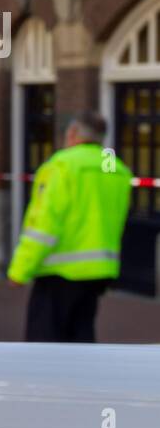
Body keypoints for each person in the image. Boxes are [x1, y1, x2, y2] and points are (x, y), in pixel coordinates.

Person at [8, 112, 133, 342]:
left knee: (44, 348)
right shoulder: (116, 169)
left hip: (59, 273)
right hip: (99, 271)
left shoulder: (62, 166)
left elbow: (43, 226)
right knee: (82, 340)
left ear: (73, 134)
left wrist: (19, 270)